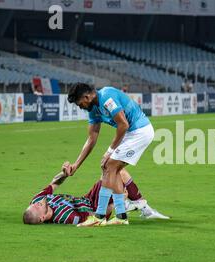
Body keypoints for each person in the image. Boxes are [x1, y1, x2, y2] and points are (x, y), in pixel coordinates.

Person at [64, 84, 155, 227]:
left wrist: (110, 150)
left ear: (86, 97)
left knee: (109, 166)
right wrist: (76, 164)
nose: (79, 107)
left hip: (139, 131)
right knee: (112, 169)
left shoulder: (106, 97)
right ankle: (121, 216)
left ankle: (99, 217)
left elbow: (123, 124)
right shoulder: (93, 108)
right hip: (130, 133)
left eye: (79, 103)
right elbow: (92, 137)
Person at [23, 167, 169, 226]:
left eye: (33, 204)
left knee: (111, 169)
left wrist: (64, 174)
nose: (36, 203)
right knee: (119, 172)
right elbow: (95, 217)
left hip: (88, 198)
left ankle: (140, 207)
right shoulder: (66, 217)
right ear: (42, 218)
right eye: (36, 208)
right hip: (97, 206)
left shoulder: (38, 199)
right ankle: (141, 209)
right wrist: (116, 203)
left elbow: (53, 184)